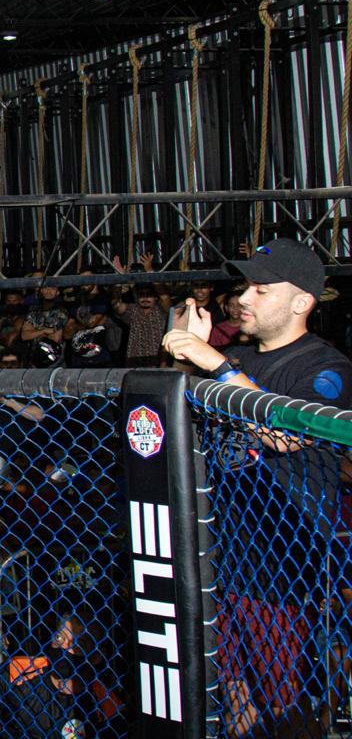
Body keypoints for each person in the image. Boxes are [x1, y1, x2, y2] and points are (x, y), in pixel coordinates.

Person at [163, 238, 352, 737]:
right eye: (246, 286)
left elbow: (286, 436)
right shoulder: (236, 356)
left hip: (280, 569)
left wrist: (215, 365)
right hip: (218, 558)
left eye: (262, 290)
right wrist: (185, 353)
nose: (243, 298)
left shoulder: (323, 366)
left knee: (286, 709)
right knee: (234, 701)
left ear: (301, 302)